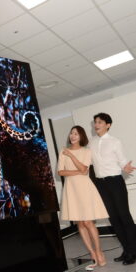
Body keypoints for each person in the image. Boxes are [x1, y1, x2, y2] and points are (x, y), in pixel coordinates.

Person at [58, 125, 108, 270]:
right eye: (71, 133)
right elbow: (61, 172)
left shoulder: (86, 151)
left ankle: (99, 252)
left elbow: (84, 169)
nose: (73, 136)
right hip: (71, 189)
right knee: (80, 223)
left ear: (81, 137)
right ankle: (92, 254)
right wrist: (77, 171)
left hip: (85, 188)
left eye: (76, 134)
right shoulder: (63, 151)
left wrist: (72, 156)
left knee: (88, 222)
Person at [90, 112, 136, 265]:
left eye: (100, 122)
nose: (96, 124)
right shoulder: (91, 142)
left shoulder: (115, 142)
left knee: (124, 216)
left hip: (115, 182)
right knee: (114, 219)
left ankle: (133, 251)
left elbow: (122, 160)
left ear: (108, 125)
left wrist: (126, 167)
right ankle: (127, 250)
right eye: (95, 122)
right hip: (101, 184)